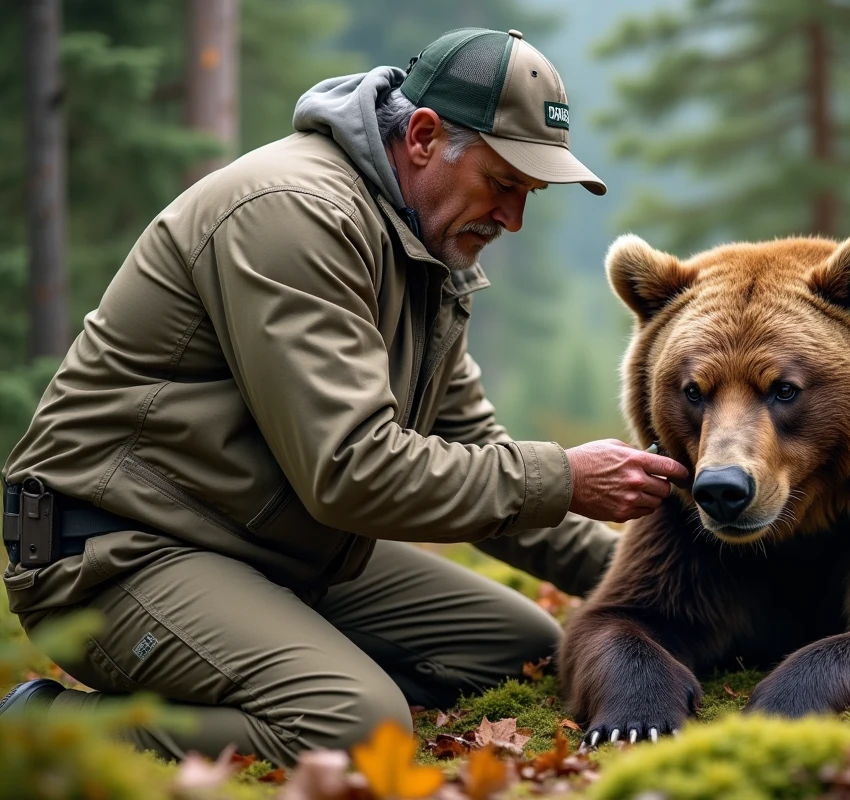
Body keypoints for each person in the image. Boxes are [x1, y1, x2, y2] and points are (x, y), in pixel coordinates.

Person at [0, 27, 687, 766]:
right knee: (355, 727)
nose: (512, 218)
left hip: (264, 545)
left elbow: (477, 459)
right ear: (424, 136)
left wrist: (661, 591)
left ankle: (264, 680)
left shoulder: (424, 256)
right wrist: (566, 476)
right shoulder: (293, 214)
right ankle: (37, 729)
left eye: (529, 193)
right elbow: (350, 471)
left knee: (519, 651)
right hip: (115, 548)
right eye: (503, 182)